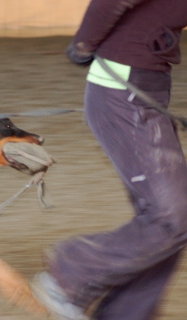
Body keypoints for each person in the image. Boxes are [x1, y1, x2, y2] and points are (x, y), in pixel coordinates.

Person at [30, 1, 187, 319]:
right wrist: (83, 44)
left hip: (146, 87)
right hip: (123, 90)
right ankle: (70, 274)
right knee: (171, 217)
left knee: (173, 218)